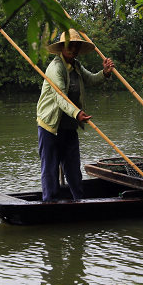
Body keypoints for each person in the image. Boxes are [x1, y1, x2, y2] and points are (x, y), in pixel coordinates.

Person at [36, 29, 114, 203]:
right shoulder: (56, 68)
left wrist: (106, 72)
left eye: (76, 46)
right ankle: (50, 203)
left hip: (69, 126)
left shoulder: (76, 66)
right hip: (51, 126)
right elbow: (60, 97)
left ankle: (78, 201)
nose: (73, 49)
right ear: (62, 47)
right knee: (50, 168)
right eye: (69, 45)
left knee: (72, 168)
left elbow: (92, 80)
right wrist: (77, 113)